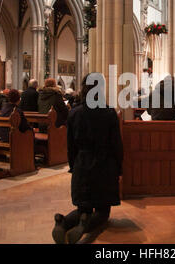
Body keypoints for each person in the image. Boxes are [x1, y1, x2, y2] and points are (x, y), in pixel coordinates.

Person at [52, 73, 123, 244]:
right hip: (104, 165)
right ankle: (85, 225)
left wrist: (73, 166)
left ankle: (63, 223)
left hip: (82, 164)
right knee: (103, 212)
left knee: (83, 206)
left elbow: (70, 146)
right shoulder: (108, 113)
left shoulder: (74, 113)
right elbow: (116, 145)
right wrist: (119, 168)